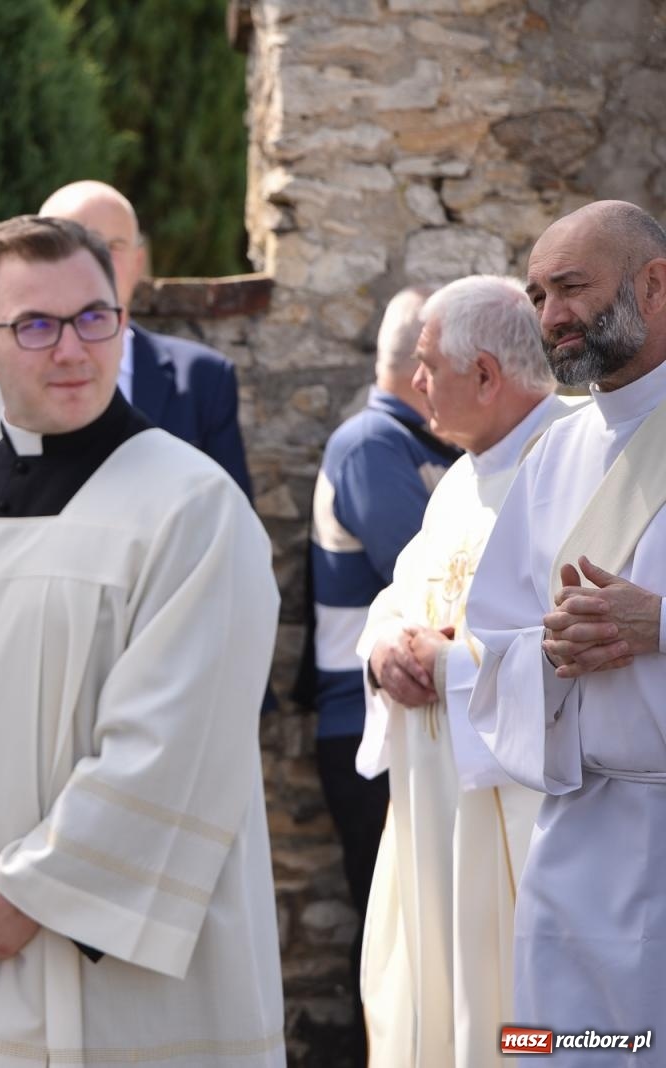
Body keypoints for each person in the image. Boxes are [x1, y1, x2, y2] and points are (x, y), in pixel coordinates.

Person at [0, 215, 284, 1066]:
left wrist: (33, 891)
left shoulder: (192, 508)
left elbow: (177, 747)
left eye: (94, 318)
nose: (72, 349)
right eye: (35, 325)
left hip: (124, 986)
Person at [351, 277, 570, 1066]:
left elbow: (582, 647)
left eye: (427, 363)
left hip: (516, 817)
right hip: (434, 802)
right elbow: (398, 597)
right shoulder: (464, 477)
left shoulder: (574, 467)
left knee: (516, 1017)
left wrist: (452, 669)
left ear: (484, 375)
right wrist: (383, 655)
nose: (414, 384)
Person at [466, 201, 666, 1045]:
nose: (551, 317)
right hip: (576, 840)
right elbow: (496, 636)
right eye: (539, 294)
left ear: (654, 283)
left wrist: (659, 623)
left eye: (572, 288)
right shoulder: (554, 453)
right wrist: (550, 651)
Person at [304, 284, 459, 1045]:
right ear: (420, 367)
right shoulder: (373, 444)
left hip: (421, 719)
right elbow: (434, 582)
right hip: (361, 726)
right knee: (395, 939)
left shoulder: (435, 448)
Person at [39, 179, 252, 497]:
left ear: (138, 262)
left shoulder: (203, 380)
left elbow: (233, 527)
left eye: (114, 246)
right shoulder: (2, 380)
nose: (99, 261)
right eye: (79, 244)